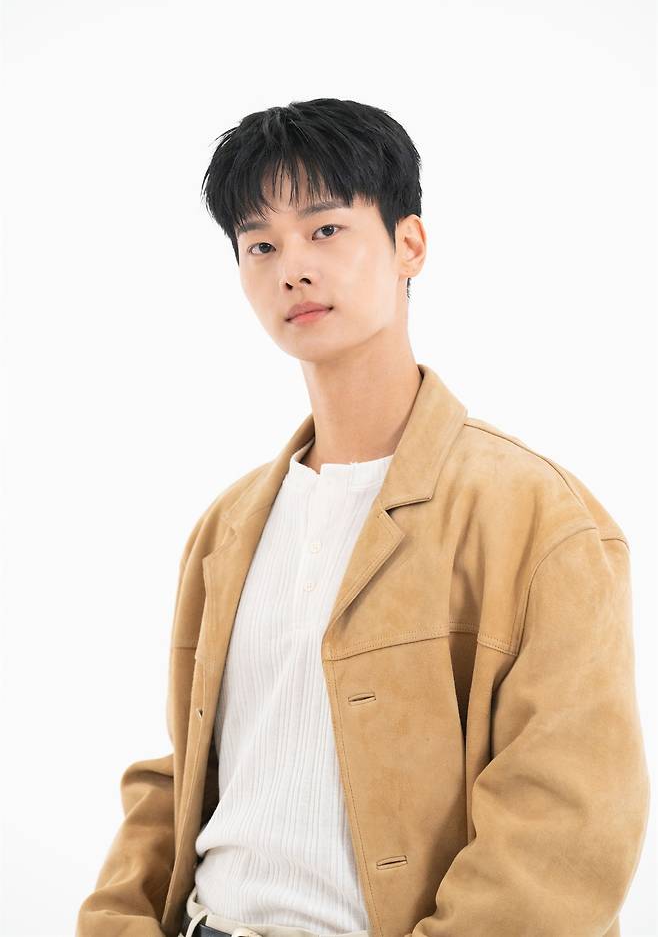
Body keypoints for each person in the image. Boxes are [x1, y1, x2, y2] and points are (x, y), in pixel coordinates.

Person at [76, 98, 650, 937]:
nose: (292, 269)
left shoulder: (535, 514)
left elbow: (566, 822)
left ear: (409, 243)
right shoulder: (227, 526)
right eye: (260, 245)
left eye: (326, 230)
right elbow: (185, 773)